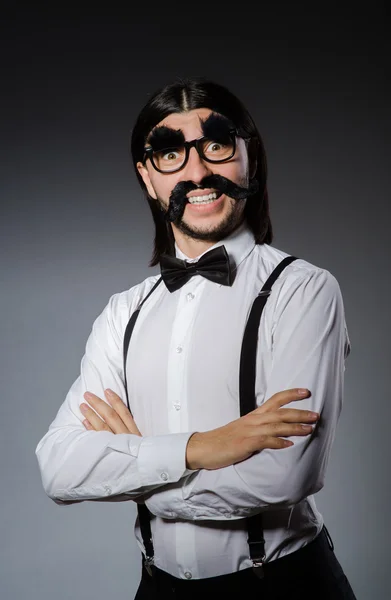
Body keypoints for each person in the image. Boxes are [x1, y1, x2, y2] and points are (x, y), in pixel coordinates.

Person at [35, 77, 357, 599]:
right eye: (170, 155)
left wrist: (141, 471)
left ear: (247, 155)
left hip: (282, 586)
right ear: (147, 177)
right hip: (156, 587)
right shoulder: (123, 312)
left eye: (216, 145)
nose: (198, 171)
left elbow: (287, 475)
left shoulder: (304, 290)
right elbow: (58, 466)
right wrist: (204, 448)